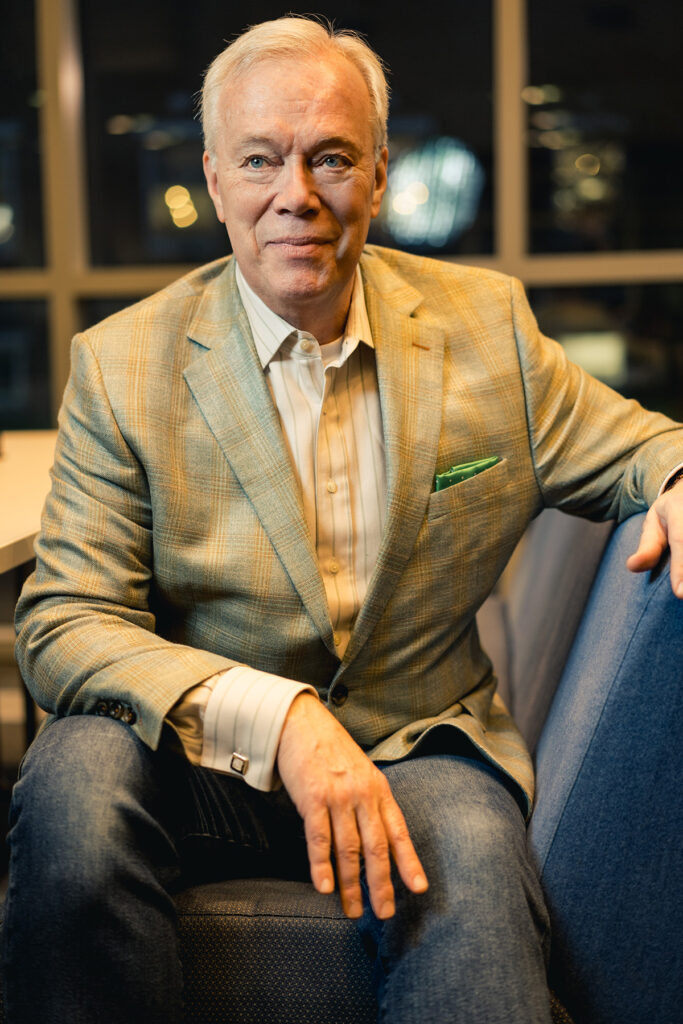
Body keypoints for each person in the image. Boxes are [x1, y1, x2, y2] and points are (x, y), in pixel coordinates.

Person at [3, 15, 683, 1024]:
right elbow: (63, 624)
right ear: (214, 178)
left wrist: (677, 474)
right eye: (259, 159)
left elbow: (639, 445)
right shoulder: (122, 362)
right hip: (197, 762)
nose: (297, 196)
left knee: (476, 893)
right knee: (71, 779)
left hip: (416, 743)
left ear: (376, 171)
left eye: (329, 158)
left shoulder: (481, 326)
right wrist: (279, 719)